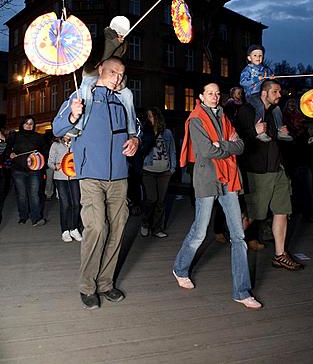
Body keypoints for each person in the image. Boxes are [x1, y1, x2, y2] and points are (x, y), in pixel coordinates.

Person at [53, 56, 139, 310]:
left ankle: (105, 283)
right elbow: (58, 128)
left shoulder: (124, 100)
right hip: (90, 174)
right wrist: (72, 114)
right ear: (101, 69)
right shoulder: (83, 95)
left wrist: (135, 141)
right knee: (97, 228)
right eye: (113, 72)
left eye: (121, 75)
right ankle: (87, 286)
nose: (117, 78)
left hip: (120, 177)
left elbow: (135, 130)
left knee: (118, 228)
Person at [173, 82, 262, 310]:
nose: (214, 96)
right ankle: (180, 268)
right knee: (200, 231)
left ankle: (241, 292)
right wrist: (226, 146)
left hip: (228, 179)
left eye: (217, 93)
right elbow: (205, 151)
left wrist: (221, 144)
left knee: (238, 236)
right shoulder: (196, 119)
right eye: (210, 93)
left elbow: (240, 145)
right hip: (206, 180)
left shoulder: (224, 116)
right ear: (201, 96)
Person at [236, 79, 304, 271]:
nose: (279, 95)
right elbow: (237, 140)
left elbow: (281, 140)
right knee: (252, 215)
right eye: (275, 92)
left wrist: (285, 134)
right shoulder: (247, 111)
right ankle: (236, 246)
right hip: (258, 172)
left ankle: (280, 255)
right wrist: (253, 131)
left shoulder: (275, 113)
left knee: (282, 211)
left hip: (278, 169)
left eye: (279, 92)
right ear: (264, 94)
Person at [68, 16, 136, 138]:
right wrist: (115, 43)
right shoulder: (101, 40)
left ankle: (131, 130)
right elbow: (100, 59)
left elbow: (122, 68)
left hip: (110, 78)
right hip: (93, 73)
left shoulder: (122, 46)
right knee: (87, 92)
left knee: (128, 95)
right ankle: (78, 126)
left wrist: (121, 83)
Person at [240, 45, 292, 142]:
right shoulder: (247, 70)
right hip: (252, 95)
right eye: (255, 55)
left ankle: (280, 130)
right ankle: (260, 131)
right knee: (260, 106)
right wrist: (255, 79)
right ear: (249, 58)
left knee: (276, 108)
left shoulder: (265, 69)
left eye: (260, 55)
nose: (258, 57)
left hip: (263, 94)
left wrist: (273, 78)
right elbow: (243, 82)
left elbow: (271, 79)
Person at [3, 116, 48, 226]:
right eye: (26, 123)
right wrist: (10, 154)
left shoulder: (39, 137)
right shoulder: (15, 136)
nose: (28, 125)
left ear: (34, 125)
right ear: (22, 124)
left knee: (34, 194)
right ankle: (23, 216)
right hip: (18, 170)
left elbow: (45, 151)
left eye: (31, 124)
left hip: (34, 170)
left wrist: (41, 157)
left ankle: (36, 218)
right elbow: (7, 149)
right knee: (21, 194)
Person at [140, 107, 176, 238]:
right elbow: (140, 151)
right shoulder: (143, 133)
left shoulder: (167, 133)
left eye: (152, 116)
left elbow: (172, 150)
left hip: (164, 172)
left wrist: (172, 168)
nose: (151, 119)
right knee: (151, 198)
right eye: (148, 116)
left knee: (161, 201)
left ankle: (156, 228)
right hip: (148, 171)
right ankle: (145, 223)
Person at [48, 136, 82, 242]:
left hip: (75, 177)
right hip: (60, 178)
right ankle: (65, 230)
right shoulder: (56, 144)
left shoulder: (78, 142)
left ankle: (74, 228)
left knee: (76, 203)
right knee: (65, 204)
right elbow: (50, 162)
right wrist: (55, 166)